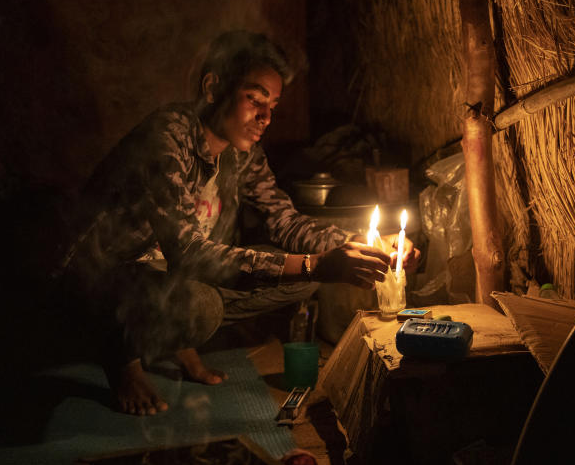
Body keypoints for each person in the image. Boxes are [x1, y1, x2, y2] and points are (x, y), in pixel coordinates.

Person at [58, 31, 419, 416]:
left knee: (307, 275)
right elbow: (189, 254)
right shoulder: (166, 139)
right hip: (103, 283)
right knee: (205, 306)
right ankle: (120, 354)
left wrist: (367, 243)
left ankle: (177, 339)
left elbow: (285, 221)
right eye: (254, 99)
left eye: (273, 106)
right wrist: (316, 262)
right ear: (213, 87)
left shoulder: (243, 155)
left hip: (163, 279)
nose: (265, 117)